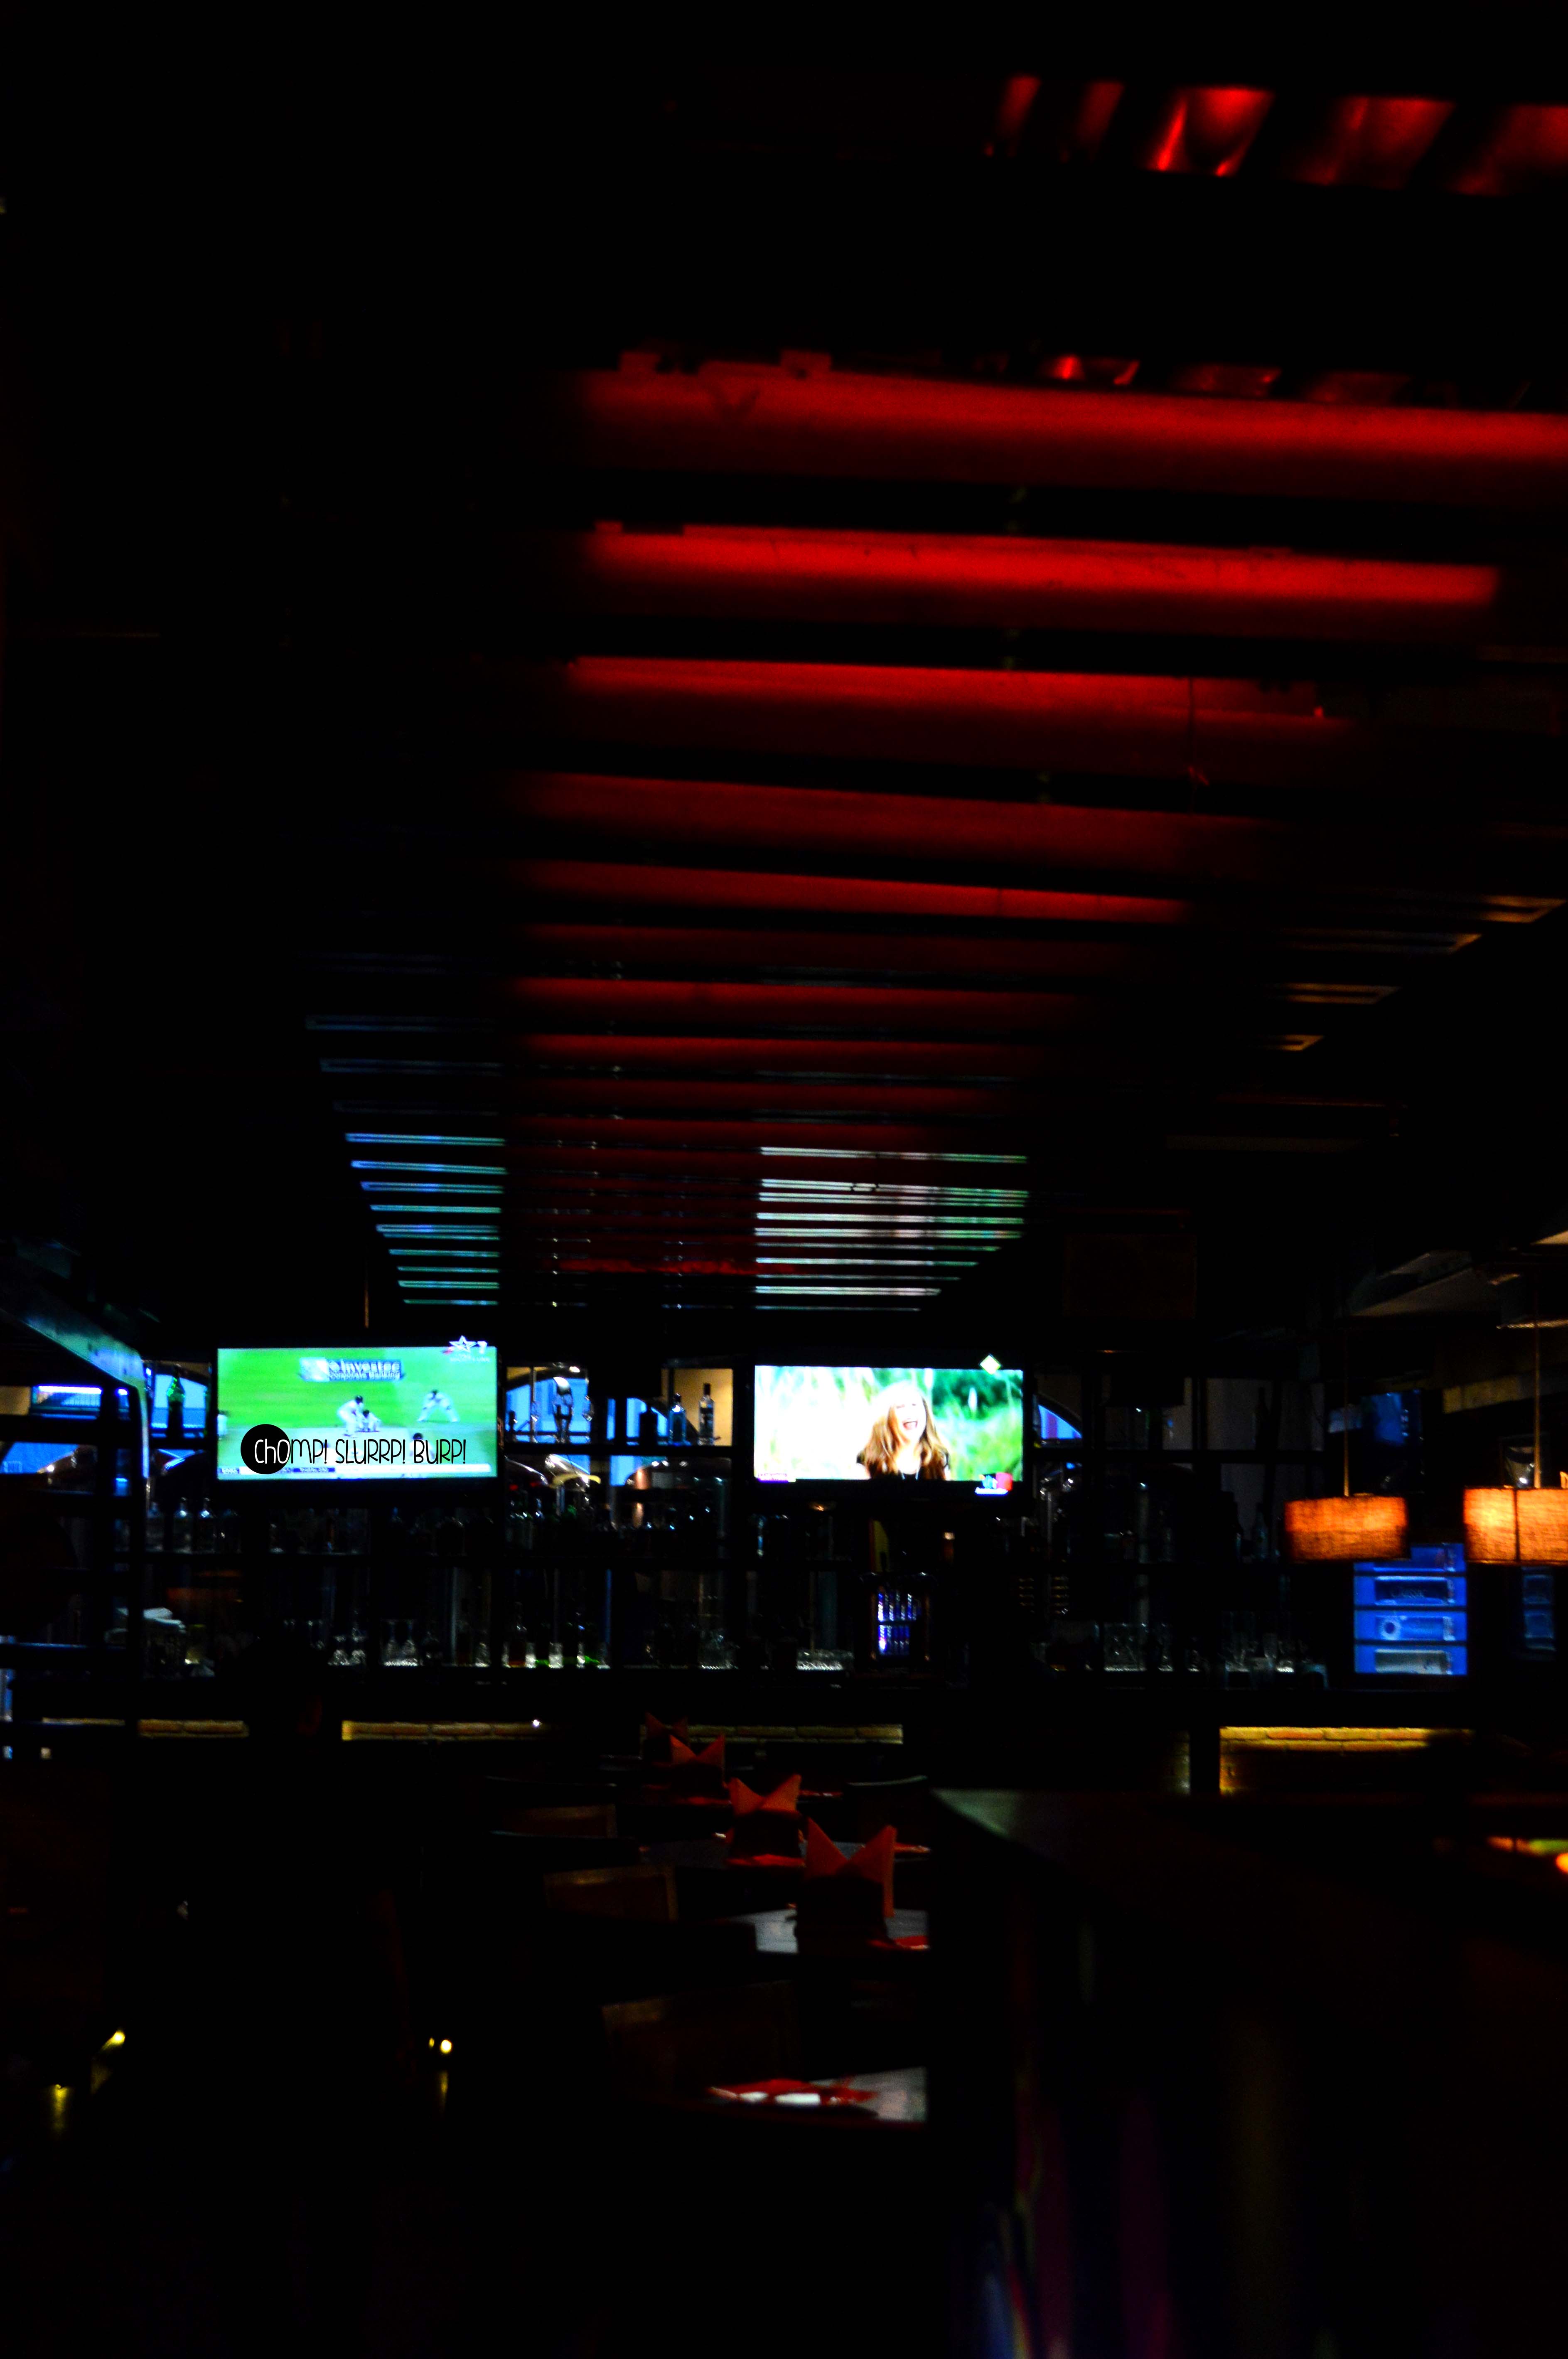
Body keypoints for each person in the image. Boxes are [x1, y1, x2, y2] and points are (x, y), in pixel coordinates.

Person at [856, 1382, 950, 1480]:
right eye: (901, 1407)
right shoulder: (868, 1460)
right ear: (886, 1418)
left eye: (915, 1405)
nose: (910, 1413)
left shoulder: (940, 1458)